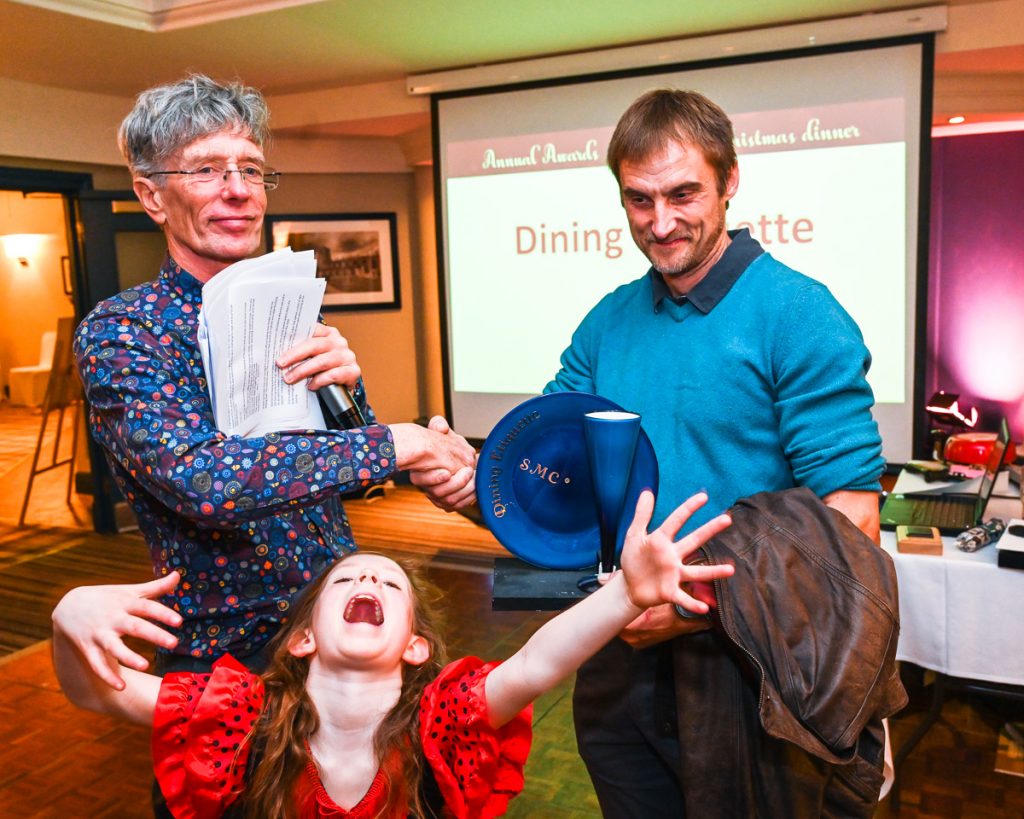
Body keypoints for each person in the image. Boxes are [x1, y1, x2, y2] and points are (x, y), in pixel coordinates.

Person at [545, 89, 886, 816]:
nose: (660, 222)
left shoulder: (798, 313)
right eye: (639, 200)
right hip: (617, 651)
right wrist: (458, 466)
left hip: (746, 664)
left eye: (683, 193)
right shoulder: (607, 322)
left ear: (730, 180)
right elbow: (549, 463)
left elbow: (851, 528)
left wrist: (700, 610)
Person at [71, 73, 476, 679]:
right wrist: (401, 441)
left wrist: (353, 401)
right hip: (229, 661)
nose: (238, 191)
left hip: (340, 630)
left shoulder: (287, 309)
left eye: (251, 169)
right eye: (206, 170)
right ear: (152, 197)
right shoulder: (125, 331)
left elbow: (340, 478)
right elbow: (202, 482)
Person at [52, 491, 735, 819]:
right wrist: (66, 620)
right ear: (303, 638)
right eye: (347, 579)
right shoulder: (245, 715)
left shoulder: (445, 716)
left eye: (388, 582)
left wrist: (624, 597)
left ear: (414, 646)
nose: (368, 581)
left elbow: (532, 664)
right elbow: (94, 692)